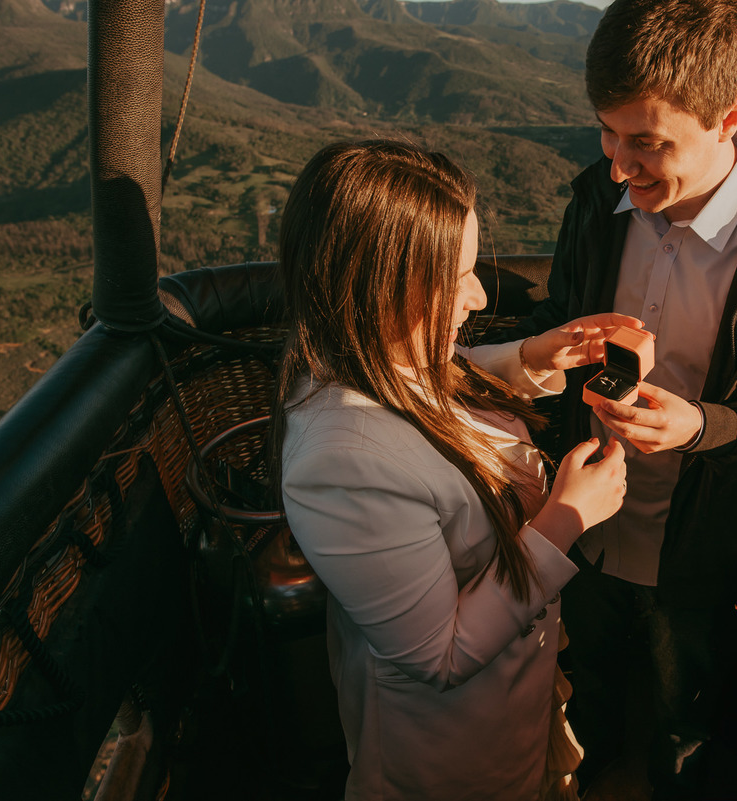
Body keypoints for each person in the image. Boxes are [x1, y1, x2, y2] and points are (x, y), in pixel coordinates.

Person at [509, 0, 737, 796]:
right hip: (581, 538)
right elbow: (555, 313)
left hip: (702, 571)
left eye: (647, 142)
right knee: (583, 711)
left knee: (684, 741)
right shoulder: (596, 205)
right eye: (607, 133)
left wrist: (700, 426)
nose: (617, 165)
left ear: (730, 115)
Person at [274, 139, 645, 800]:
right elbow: (438, 655)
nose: (475, 297)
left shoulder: (370, 356)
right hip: (449, 758)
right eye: (456, 277)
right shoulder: (340, 462)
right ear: (377, 286)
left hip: (510, 709)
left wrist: (536, 355)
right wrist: (565, 518)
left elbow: (434, 383)